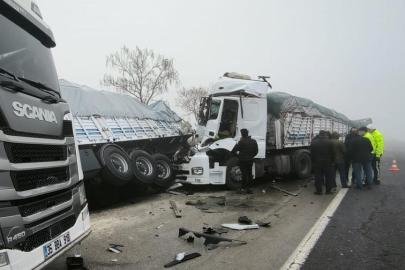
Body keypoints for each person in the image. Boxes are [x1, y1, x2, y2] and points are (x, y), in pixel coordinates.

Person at [231, 129, 258, 194]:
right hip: (250, 160)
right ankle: (250, 188)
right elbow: (256, 151)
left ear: (242, 134)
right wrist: (251, 156)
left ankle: (243, 189)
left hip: (243, 160)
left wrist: (240, 140)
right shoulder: (253, 141)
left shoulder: (242, 141)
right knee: (250, 174)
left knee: (244, 174)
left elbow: (237, 149)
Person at [310, 130, 335, 195]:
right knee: (329, 177)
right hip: (328, 162)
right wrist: (333, 161)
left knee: (318, 177)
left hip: (317, 162)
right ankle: (328, 191)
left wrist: (313, 161)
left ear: (319, 134)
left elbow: (311, 154)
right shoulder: (330, 142)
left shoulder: (314, 142)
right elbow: (333, 153)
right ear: (326, 134)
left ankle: (319, 191)